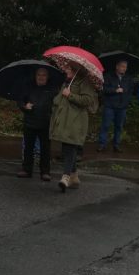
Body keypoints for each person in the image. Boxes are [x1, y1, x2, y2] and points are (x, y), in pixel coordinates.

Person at [50, 63, 98, 192]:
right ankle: (74, 177)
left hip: (76, 121)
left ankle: (65, 177)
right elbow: (59, 99)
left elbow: (88, 100)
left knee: (70, 147)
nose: (65, 70)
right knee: (66, 148)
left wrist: (70, 95)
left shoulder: (84, 82)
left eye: (67, 68)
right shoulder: (67, 82)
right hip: (65, 120)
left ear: (75, 70)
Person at [16, 67, 56, 181]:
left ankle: (45, 172)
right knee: (28, 147)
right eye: (39, 74)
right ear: (35, 76)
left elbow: (57, 105)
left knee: (45, 149)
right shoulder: (28, 87)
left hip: (46, 123)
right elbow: (20, 100)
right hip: (30, 122)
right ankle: (27, 170)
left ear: (47, 77)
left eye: (44, 75)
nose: (41, 77)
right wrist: (25, 106)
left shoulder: (52, 89)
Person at [98, 59, 133, 152]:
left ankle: (116, 145)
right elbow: (104, 89)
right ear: (117, 67)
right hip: (110, 106)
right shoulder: (109, 76)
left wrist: (126, 101)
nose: (124, 69)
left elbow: (130, 92)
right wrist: (115, 90)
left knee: (119, 126)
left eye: (125, 67)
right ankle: (102, 144)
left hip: (122, 107)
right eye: (122, 66)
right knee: (105, 125)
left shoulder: (128, 78)